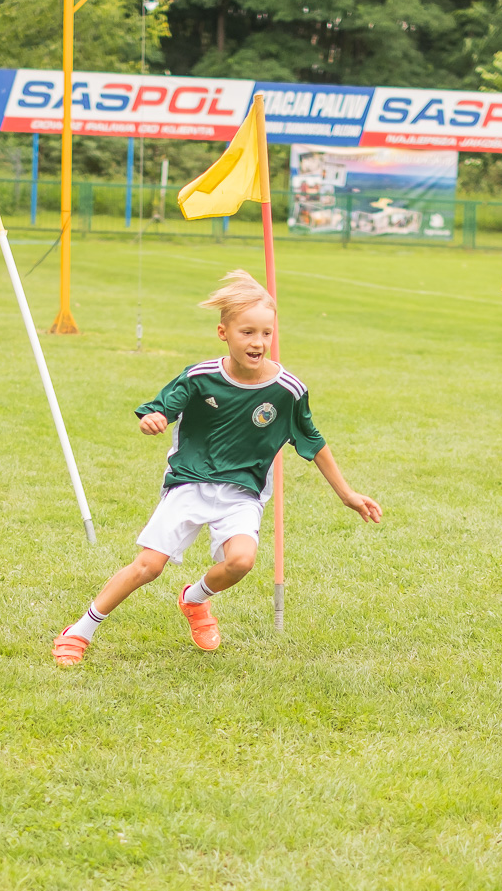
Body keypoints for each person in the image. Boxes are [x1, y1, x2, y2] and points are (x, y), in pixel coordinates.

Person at [52, 271, 382, 666]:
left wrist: (347, 494)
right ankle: (79, 631)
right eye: (247, 332)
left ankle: (194, 600)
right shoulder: (200, 377)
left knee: (242, 561)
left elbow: (312, 441)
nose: (258, 342)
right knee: (148, 566)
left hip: (242, 491)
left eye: (265, 333)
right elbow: (158, 409)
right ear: (223, 332)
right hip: (190, 482)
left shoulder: (287, 389)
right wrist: (152, 420)